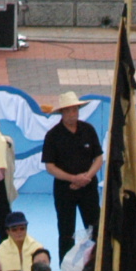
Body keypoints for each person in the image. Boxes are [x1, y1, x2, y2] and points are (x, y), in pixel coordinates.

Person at [40, 92, 104, 258]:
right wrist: (73, 178)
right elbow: (50, 166)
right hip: (64, 189)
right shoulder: (53, 136)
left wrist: (87, 177)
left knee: (95, 227)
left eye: (75, 110)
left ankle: (97, 264)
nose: (72, 114)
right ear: (62, 113)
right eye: (68, 111)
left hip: (88, 187)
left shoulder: (88, 130)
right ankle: (65, 270)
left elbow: (99, 157)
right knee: (66, 231)